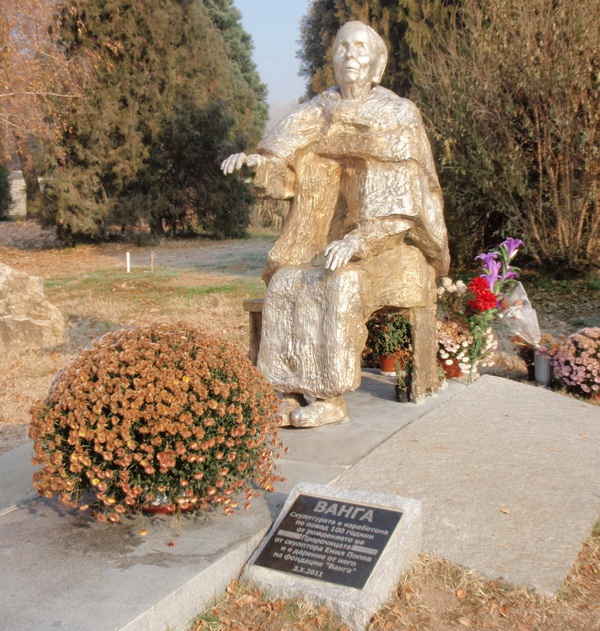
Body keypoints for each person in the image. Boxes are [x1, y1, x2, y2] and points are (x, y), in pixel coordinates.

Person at [222, 21, 449, 427]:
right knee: (285, 281)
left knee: (339, 283)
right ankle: (288, 390)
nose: (350, 55)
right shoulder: (315, 112)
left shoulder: (397, 116)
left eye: (360, 48)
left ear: (378, 66)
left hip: (388, 244)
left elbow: (402, 203)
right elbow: (284, 170)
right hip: (323, 241)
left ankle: (330, 398)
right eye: (343, 47)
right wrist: (256, 166)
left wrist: (357, 242)